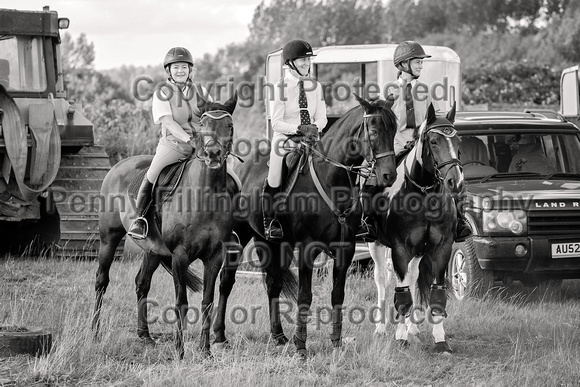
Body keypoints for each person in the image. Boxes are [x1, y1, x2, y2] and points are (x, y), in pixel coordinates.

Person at [360, 40, 472, 242]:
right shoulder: (389, 92)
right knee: (368, 173)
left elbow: (434, 118)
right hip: (395, 146)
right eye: (417, 62)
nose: (421, 66)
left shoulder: (425, 91)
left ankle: (460, 220)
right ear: (404, 64)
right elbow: (382, 125)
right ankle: (368, 222)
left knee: (450, 171)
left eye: (422, 62)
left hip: (421, 147)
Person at [128, 47, 212, 239]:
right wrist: (190, 140)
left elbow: (211, 114)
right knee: (152, 173)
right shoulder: (162, 92)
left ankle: (231, 221)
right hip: (174, 146)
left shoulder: (201, 91)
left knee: (232, 176)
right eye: (176, 67)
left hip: (202, 148)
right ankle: (140, 219)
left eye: (184, 67)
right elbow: (168, 122)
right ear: (169, 71)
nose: (180, 71)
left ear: (190, 70)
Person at [264, 39, 327, 240]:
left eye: (308, 60)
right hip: (285, 137)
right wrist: (299, 128)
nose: (307, 64)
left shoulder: (315, 86)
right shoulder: (280, 87)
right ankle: (271, 219)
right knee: (275, 172)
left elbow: (322, 116)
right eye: (302, 60)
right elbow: (276, 123)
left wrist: (314, 128)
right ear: (290, 62)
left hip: (311, 137)